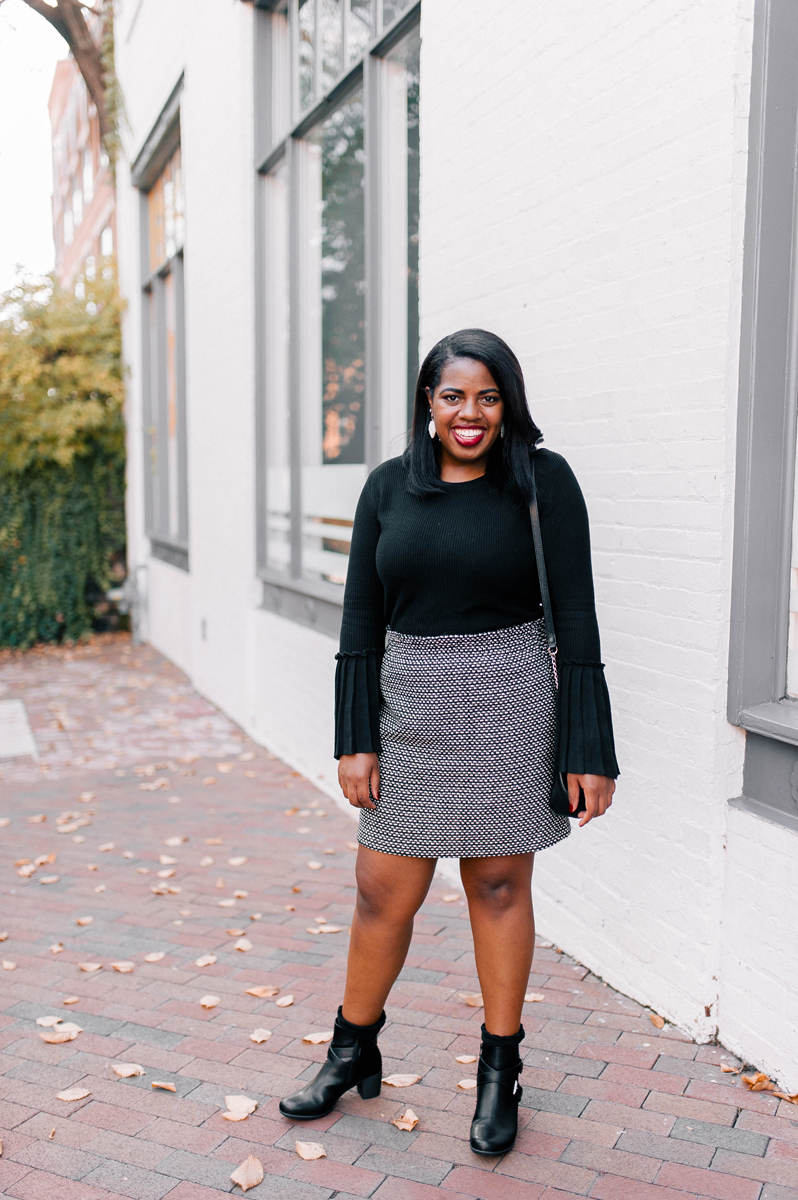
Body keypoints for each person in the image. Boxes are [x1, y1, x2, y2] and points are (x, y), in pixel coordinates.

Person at [279, 328, 618, 1155]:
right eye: (454, 396)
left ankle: (501, 1074)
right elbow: (360, 619)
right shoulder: (388, 488)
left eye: (488, 397)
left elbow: (575, 619)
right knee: (379, 889)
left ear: (509, 404)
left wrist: (588, 745)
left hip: (509, 696)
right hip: (412, 701)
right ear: (427, 403)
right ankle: (352, 1049)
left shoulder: (543, 482)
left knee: (498, 887)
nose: (471, 414)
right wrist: (356, 737)